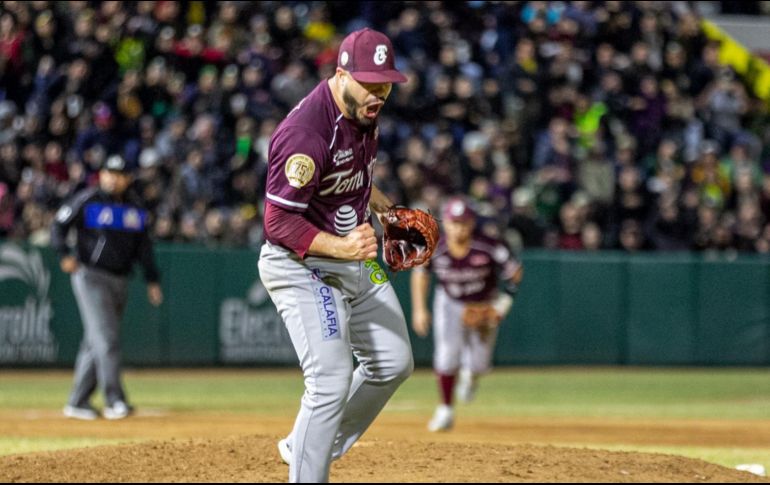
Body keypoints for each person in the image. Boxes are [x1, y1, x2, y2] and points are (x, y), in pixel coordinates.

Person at [256, 28, 413, 483]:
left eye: (385, 83)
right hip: (300, 263)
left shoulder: (364, 110)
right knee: (329, 379)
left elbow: (353, 175)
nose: (379, 92)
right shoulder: (306, 132)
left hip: (349, 254)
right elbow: (278, 224)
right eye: (369, 81)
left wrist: (385, 209)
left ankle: (307, 442)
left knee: (394, 361)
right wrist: (345, 247)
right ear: (340, 73)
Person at [51, 154, 163, 421]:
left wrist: (152, 280)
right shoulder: (88, 199)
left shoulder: (135, 208)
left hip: (120, 279)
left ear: (126, 179)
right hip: (91, 276)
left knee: (96, 340)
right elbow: (58, 224)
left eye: (118, 173)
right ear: (102, 175)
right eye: (108, 172)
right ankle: (115, 399)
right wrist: (63, 253)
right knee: (107, 338)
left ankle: (77, 401)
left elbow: (144, 248)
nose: (112, 177)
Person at [411, 196, 523, 432]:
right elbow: (421, 273)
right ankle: (445, 409)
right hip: (449, 302)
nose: (458, 228)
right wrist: (420, 309)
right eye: (453, 222)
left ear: (472, 223)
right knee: (446, 356)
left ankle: (471, 376)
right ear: (446, 223)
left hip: (484, 304)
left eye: (463, 222)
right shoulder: (435, 246)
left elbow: (514, 273)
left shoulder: (489, 245)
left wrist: (503, 305)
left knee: (480, 364)